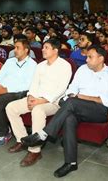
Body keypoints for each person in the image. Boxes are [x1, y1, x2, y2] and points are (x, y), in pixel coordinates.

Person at [20, 46, 108, 178]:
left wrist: (80, 97)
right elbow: (71, 89)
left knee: (71, 103)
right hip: (77, 106)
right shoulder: (82, 70)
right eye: (87, 56)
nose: (86, 59)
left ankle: (44, 134)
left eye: (90, 57)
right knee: (69, 118)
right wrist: (72, 94)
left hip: (99, 111)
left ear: (101, 58)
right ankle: (71, 162)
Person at [6, 38, 72, 167]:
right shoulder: (40, 65)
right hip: (36, 98)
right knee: (11, 107)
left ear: (55, 50)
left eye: (46, 47)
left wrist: (40, 101)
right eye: (43, 47)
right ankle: (22, 140)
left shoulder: (65, 66)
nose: (43, 49)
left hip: (53, 102)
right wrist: (30, 96)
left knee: (38, 110)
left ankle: (35, 151)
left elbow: (61, 89)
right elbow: (34, 84)